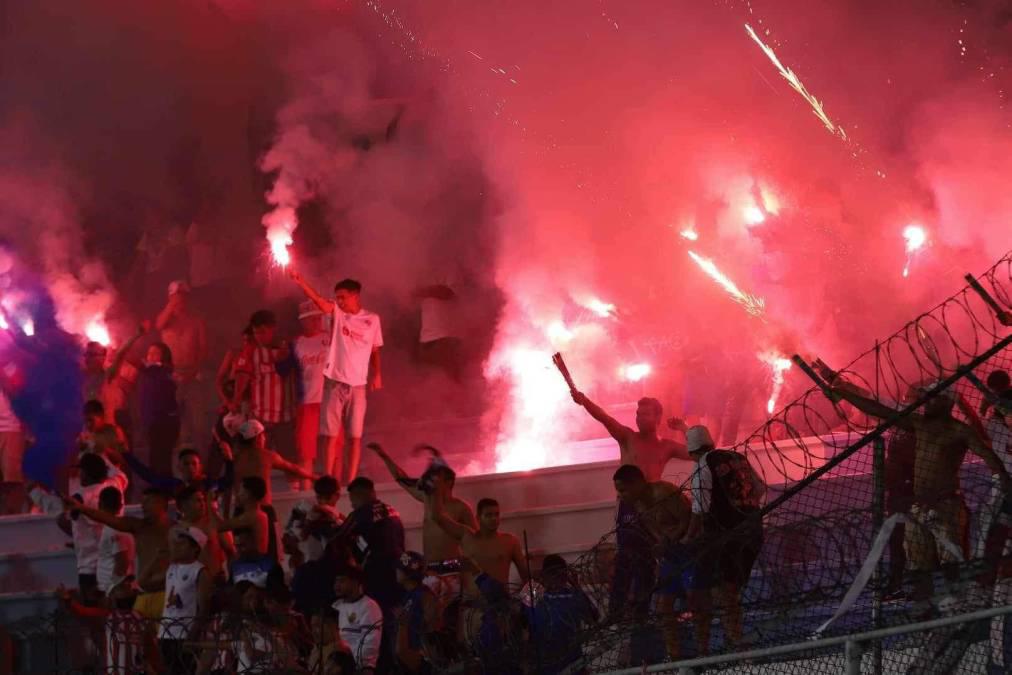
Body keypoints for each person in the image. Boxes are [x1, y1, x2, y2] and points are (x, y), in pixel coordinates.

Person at [830, 378, 1012, 610]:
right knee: (919, 568)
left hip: (946, 506)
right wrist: (845, 395)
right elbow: (880, 410)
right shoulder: (919, 424)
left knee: (951, 565)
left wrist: (1006, 482)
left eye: (932, 397)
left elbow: (991, 458)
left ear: (946, 402)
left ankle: (957, 608)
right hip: (919, 508)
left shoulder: (959, 431)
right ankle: (923, 612)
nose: (927, 401)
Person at [289, 270, 383, 483]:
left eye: (343, 297)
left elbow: (375, 350)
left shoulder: (372, 320)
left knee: (355, 437)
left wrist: (377, 374)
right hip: (334, 382)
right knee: (330, 435)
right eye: (337, 297)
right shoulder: (338, 314)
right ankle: (329, 480)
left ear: (355, 296)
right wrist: (300, 280)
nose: (339, 301)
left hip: (358, 385)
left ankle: (350, 482)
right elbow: (321, 302)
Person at [682, 426, 764, 656]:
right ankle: (735, 640)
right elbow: (759, 489)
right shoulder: (736, 457)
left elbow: (700, 508)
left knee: (722, 591)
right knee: (729, 590)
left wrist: (689, 537)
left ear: (691, 452)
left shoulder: (702, 466)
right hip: (753, 530)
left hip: (725, 537)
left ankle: (735, 643)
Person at [369, 442, 477, 597]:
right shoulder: (428, 500)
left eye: (436, 479)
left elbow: (475, 540)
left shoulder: (461, 508)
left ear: (449, 482)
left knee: (453, 615)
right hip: (430, 570)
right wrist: (384, 456)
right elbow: (402, 479)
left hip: (453, 569)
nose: (431, 482)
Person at [611, 464, 692, 659]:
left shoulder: (664, 492)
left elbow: (689, 518)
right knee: (665, 607)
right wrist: (661, 544)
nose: (621, 495)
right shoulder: (638, 505)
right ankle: (675, 656)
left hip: (689, 552)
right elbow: (654, 530)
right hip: (671, 556)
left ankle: (704, 649)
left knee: (695, 600)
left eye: (623, 490)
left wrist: (673, 539)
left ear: (638, 483)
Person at [66, 487, 172, 620]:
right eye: (142, 502)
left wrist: (111, 588)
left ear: (162, 503)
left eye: (148, 502)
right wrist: (81, 508)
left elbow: (121, 562)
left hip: (167, 594)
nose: (143, 506)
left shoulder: (176, 530)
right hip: (143, 595)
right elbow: (108, 519)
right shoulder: (139, 526)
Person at [62, 453, 130, 603]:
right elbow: (121, 475)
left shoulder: (80, 497)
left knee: (94, 616)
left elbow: (62, 519)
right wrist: (101, 452)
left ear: (85, 472)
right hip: (114, 563)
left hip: (90, 567)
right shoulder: (115, 486)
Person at [230, 310, 296, 463]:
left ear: (273, 328)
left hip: (285, 416)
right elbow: (242, 375)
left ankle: (296, 487)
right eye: (256, 333)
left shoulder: (289, 347)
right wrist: (236, 400)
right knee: (252, 455)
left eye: (262, 332)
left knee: (288, 458)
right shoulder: (250, 351)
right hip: (259, 415)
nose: (259, 336)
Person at [156, 280, 208, 449]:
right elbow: (158, 325)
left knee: (199, 424)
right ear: (169, 298)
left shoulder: (196, 321)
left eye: (183, 296)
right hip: (172, 377)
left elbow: (203, 349)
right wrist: (171, 305)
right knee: (175, 423)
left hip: (193, 376)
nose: (180, 300)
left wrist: (193, 371)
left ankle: (203, 463)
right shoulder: (165, 321)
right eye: (176, 297)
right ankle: (178, 465)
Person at [526, 554, 598, 675]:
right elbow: (593, 618)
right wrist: (576, 586)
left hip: (553, 665)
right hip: (567, 665)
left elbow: (593, 617)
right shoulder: (573, 596)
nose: (556, 578)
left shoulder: (536, 597)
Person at [228, 418, 314, 512]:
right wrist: (314, 477)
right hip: (263, 508)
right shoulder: (267, 456)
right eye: (263, 435)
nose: (265, 438)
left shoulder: (234, 457)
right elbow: (293, 469)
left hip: (241, 510)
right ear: (258, 438)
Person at [160, 526, 212, 675]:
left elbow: (204, 609)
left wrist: (192, 636)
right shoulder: (171, 568)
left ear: (195, 549)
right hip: (166, 633)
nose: (176, 547)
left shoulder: (200, 571)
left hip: (184, 634)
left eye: (182, 544)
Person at [293, 300, 330, 490]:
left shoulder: (329, 339)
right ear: (303, 321)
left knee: (332, 449)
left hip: (328, 402)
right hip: (307, 403)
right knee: (306, 451)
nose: (316, 322)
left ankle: (333, 488)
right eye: (312, 319)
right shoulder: (296, 344)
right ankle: (306, 490)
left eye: (318, 318)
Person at [136, 342, 181, 478]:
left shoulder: (159, 370)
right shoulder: (154, 373)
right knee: (158, 460)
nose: (150, 356)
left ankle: (163, 494)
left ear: (163, 357)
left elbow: (131, 359)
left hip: (163, 424)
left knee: (160, 461)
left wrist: (133, 339)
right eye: (149, 353)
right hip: (155, 423)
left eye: (155, 353)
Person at [121, 444, 233, 497]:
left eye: (194, 464)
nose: (190, 467)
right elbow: (149, 476)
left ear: (200, 466)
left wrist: (229, 460)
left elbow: (227, 481)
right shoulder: (175, 486)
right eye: (186, 464)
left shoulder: (208, 485)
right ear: (179, 467)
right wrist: (126, 455)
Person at [332, 563, 384, 674]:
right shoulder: (337, 607)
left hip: (360, 667)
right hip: (337, 664)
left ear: (355, 582)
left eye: (342, 581)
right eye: (336, 581)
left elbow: (370, 643)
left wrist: (351, 661)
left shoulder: (369, 606)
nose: (337, 585)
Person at [283, 474, 344, 569]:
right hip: (309, 564)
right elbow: (294, 536)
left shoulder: (336, 517)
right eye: (319, 497)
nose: (323, 501)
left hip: (315, 564)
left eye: (326, 498)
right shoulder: (307, 509)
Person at [395, 551, 440, 674]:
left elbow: (432, 627)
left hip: (421, 656)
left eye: (399, 568)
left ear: (408, 573)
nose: (396, 571)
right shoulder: (407, 596)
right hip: (409, 653)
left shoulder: (424, 595)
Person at [174, 486, 226, 582]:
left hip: (218, 580)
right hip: (194, 583)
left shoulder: (211, 523)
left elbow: (229, 548)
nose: (203, 504)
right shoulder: (177, 531)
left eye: (203, 500)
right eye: (198, 501)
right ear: (184, 505)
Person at [94, 486, 136, 595]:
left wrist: (111, 589)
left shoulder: (112, 529)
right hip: (115, 588)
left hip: (113, 590)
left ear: (100, 505)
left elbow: (121, 563)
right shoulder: (122, 526)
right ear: (120, 505)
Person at [228, 526, 285, 591]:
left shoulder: (270, 565)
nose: (239, 550)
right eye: (236, 546)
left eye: (242, 545)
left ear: (253, 542)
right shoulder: (235, 567)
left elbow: (279, 595)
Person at [0, 386, 26, 514]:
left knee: (12, 479)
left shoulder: (9, 368)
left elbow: (19, 394)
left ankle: (13, 516)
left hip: (11, 428)